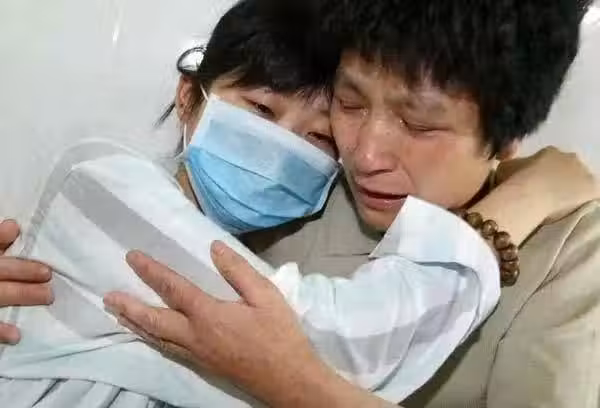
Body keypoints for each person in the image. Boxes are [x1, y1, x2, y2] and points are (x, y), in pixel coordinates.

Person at [103, 0, 600, 407]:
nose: (364, 155)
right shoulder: (298, 194)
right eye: (350, 103)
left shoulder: (571, 252)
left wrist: (294, 384)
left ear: (506, 138)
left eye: (419, 125)